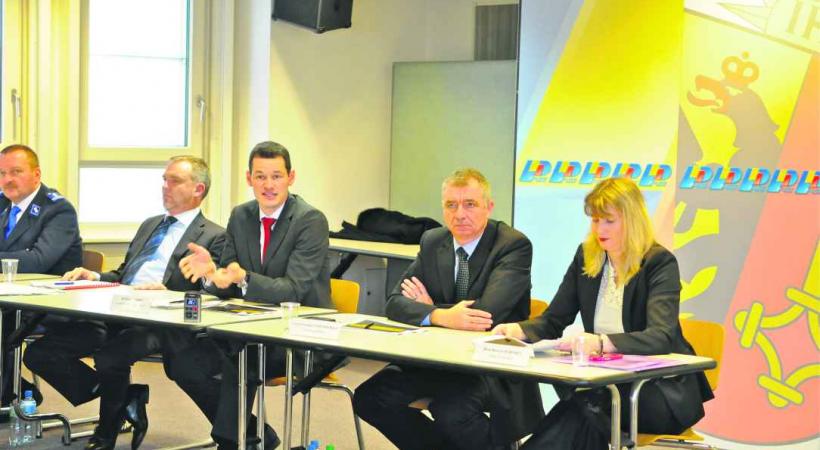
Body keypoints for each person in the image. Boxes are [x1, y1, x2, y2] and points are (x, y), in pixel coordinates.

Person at [493, 177, 714, 449]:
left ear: (631, 220)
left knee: (585, 409)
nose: (599, 228)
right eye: (595, 220)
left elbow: (661, 336)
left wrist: (600, 343)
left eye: (609, 220)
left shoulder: (658, 263)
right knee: (586, 411)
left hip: (656, 391)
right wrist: (518, 330)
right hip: (604, 386)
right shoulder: (587, 256)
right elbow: (554, 319)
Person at [23, 156, 225, 450]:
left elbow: (209, 292)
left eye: (174, 181)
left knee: (111, 356)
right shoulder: (150, 224)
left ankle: (107, 433)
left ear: (198, 189)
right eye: (164, 180)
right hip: (118, 309)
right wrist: (93, 275)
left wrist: (167, 291)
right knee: (40, 352)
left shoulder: (214, 236)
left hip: (161, 322)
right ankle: (127, 397)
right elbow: (124, 274)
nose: (165, 186)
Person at [352, 168, 544, 450]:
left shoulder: (513, 245)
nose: (460, 214)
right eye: (451, 205)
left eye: (470, 204)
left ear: (489, 207)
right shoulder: (433, 241)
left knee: (452, 412)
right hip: (436, 360)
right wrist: (441, 315)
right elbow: (394, 302)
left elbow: (485, 314)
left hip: (490, 367)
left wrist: (431, 308)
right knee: (370, 397)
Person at [178, 141, 332, 450]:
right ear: (249, 179)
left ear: (291, 177)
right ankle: (250, 436)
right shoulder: (241, 216)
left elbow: (294, 289)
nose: (269, 185)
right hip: (249, 328)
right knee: (183, 354)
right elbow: (230, 280)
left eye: (276, 176)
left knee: (241, 360)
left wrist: (244, 278)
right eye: (260, 177)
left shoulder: (310, 220)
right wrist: (212, 275)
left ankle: (229, 442)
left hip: (302, 336)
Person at [0, 144, 83, 411]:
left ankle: (10, 393)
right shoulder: (3, 203)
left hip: (48, 305)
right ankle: (21, 390)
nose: (8, 180)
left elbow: (37, 261)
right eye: (2, 173)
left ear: (36, 175)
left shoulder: (58, 210)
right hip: (10, 302)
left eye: (16, 172)